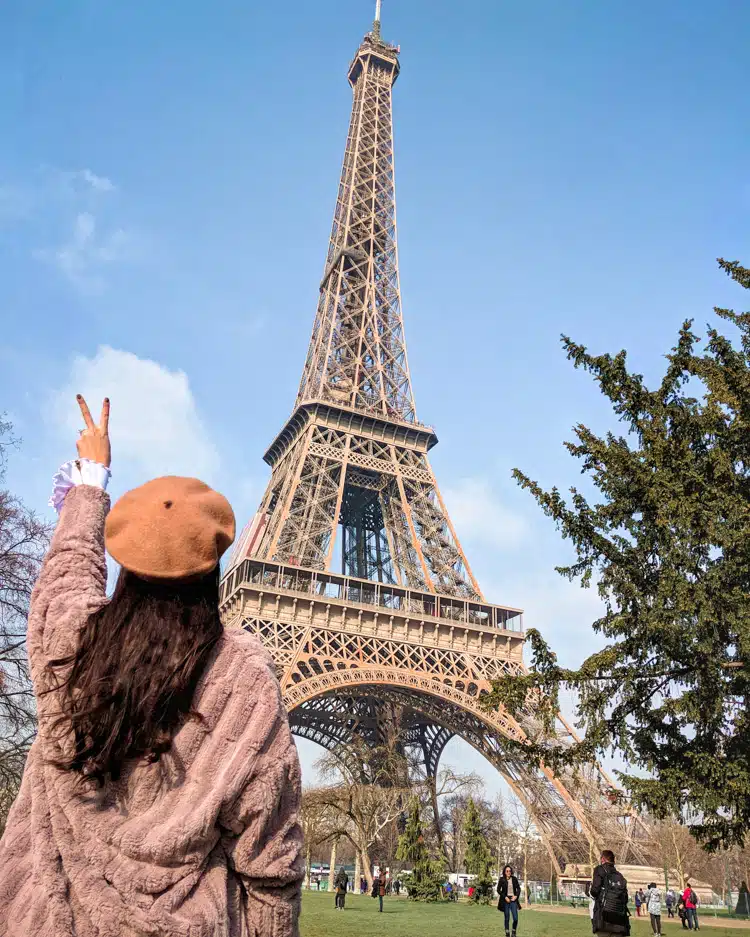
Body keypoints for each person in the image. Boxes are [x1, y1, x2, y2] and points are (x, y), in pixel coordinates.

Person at [0, 396, 304, 936]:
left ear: (128, 568)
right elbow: (269, 866)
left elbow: (67, 576)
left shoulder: (73, 648)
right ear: (213, 571)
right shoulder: (242, 682)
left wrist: (90, 484)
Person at [590, 849, 630, 936]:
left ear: (603, 859)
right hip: (619, 920)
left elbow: (594, 891)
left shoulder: (599, 869)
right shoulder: (620, 876)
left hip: (604, 917)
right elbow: (625, 898)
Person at [497, 864, 521, 937]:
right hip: (505, 900)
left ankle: (513, 931)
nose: (508, 872)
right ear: (505, 872)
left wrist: (516, 896)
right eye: (507, 871)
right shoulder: (502, 879)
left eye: (510, 871)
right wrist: (505, 897)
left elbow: (518, 889)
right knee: (507, 917)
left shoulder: (514, 879)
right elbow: (498, 890)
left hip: (513, 900)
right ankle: (507, 933)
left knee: (515, 918)